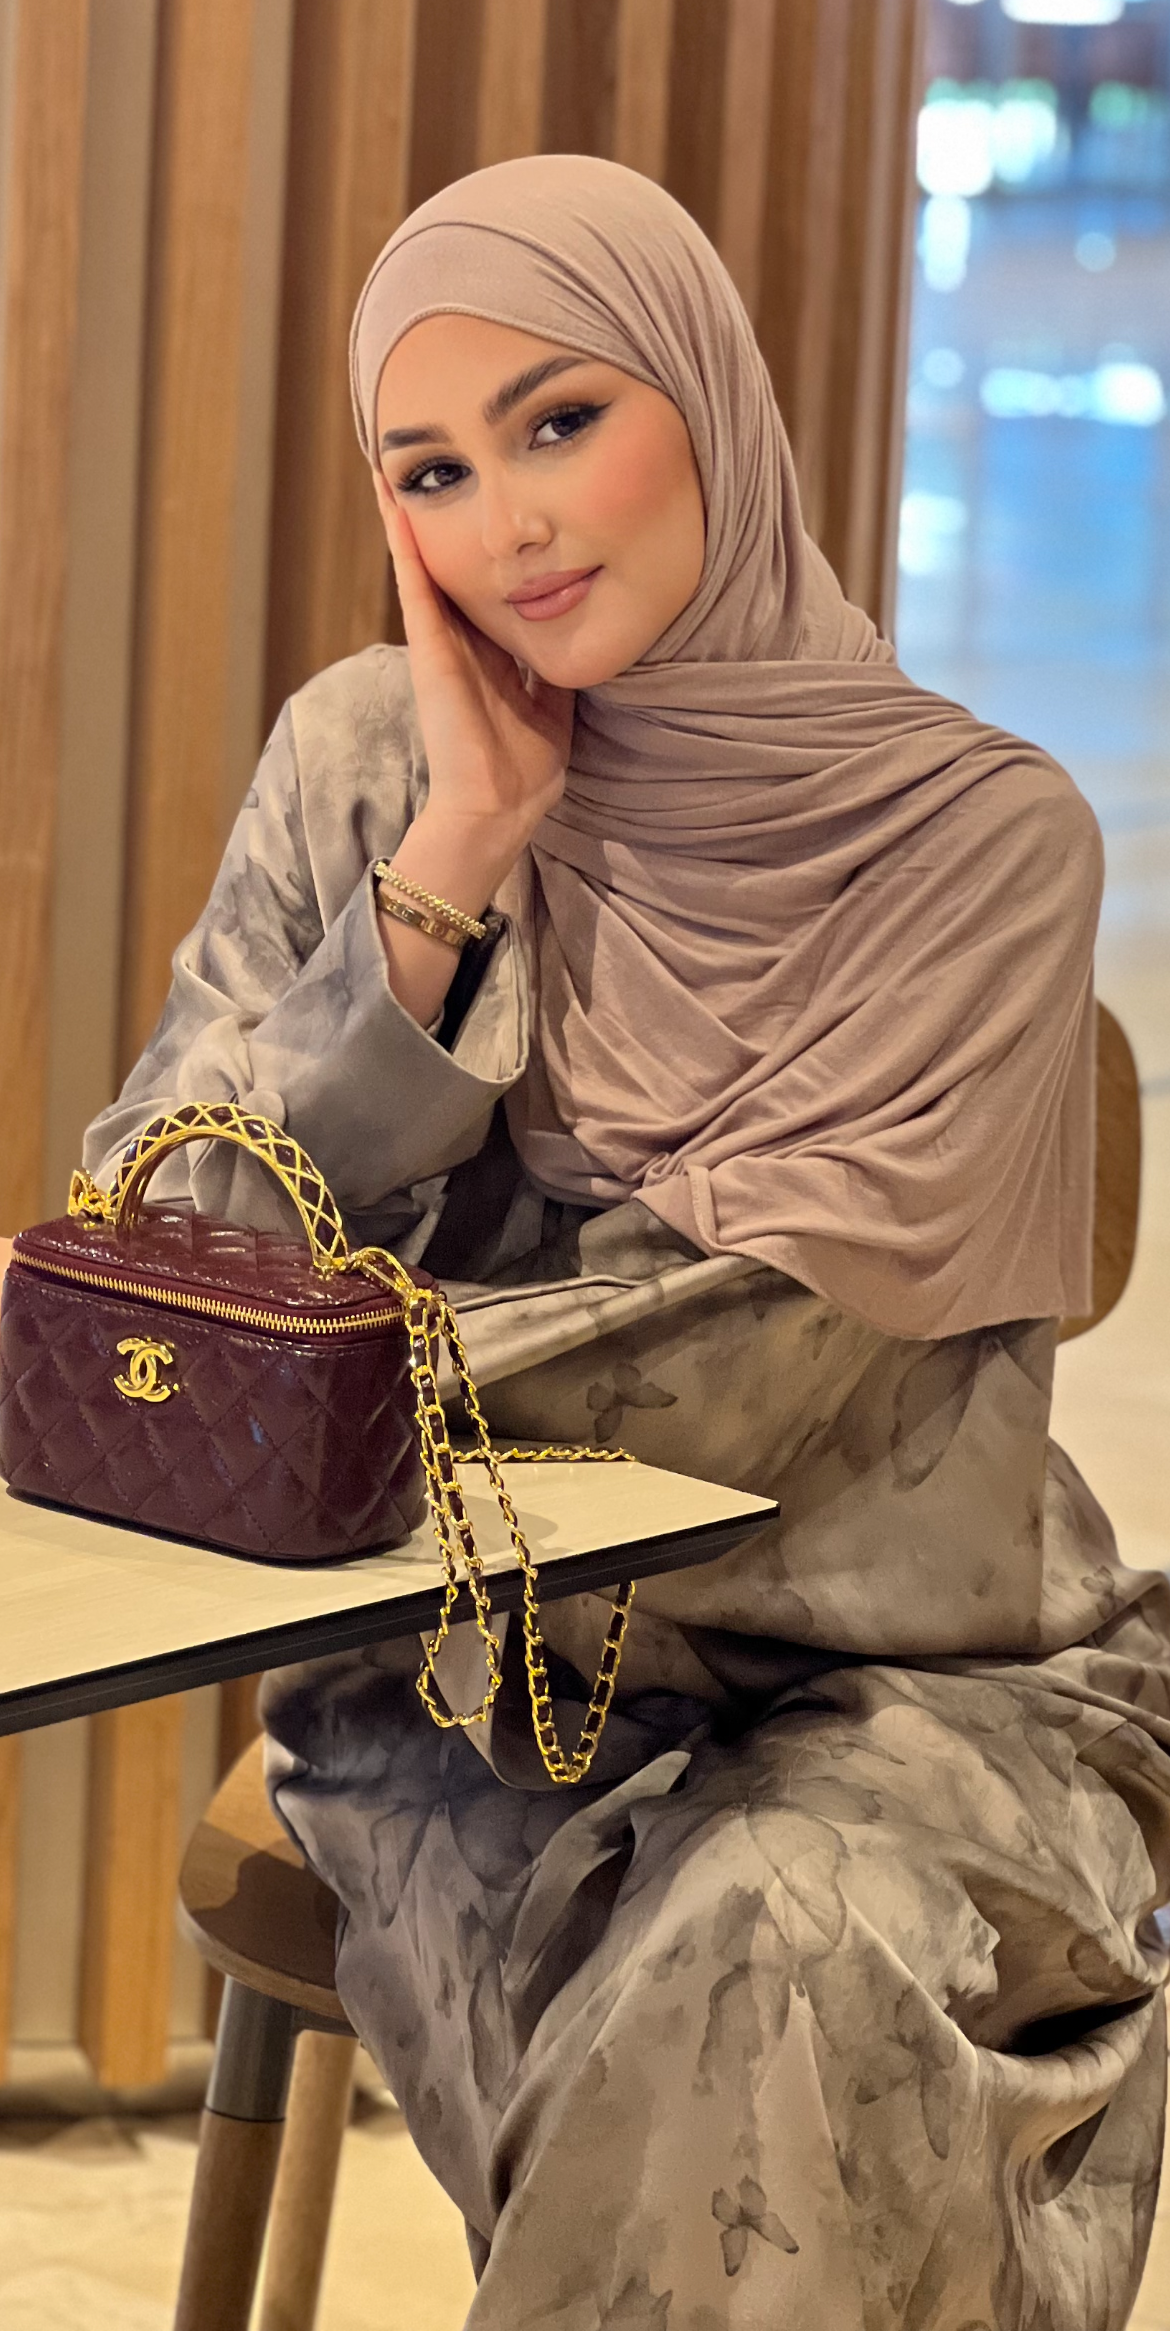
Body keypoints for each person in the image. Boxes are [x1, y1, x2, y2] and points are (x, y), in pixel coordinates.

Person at [83, 157, 1170, 2328]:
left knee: (788, 1934)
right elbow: (164, 1252)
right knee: (753, 1971)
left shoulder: (975, 844)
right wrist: (453, 867)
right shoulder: (368, 764)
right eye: (432, 471)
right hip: (460, 1698)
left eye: (560, 422)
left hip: (906, 1679)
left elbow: (752, 1375)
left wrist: (315, 1386)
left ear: (710, 400)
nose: (509, 522)